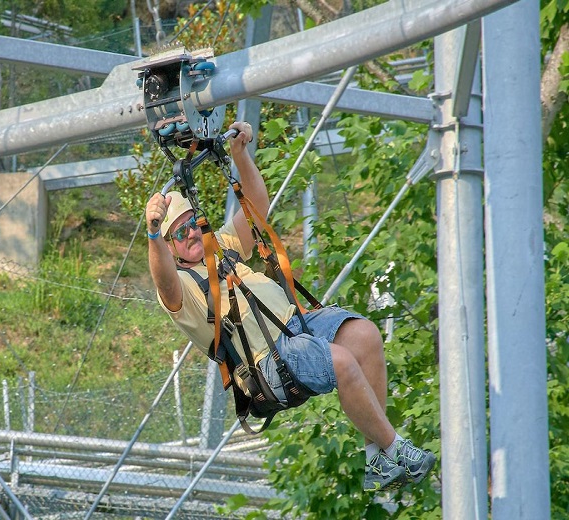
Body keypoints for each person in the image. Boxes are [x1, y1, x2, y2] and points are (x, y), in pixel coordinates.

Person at [145, 120, 436, 492]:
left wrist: (240, 156)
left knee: (364, 336)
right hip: (269, 360)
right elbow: (163, 280)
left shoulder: (221, 247)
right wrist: (153, 234)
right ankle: (396, 447)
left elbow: (258, 209)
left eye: (192, 224)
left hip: (295, 326)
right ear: (170, 245)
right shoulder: (182, 288)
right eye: (178, 233)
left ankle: (375, 459)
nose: (190, 235)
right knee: (343, 363)